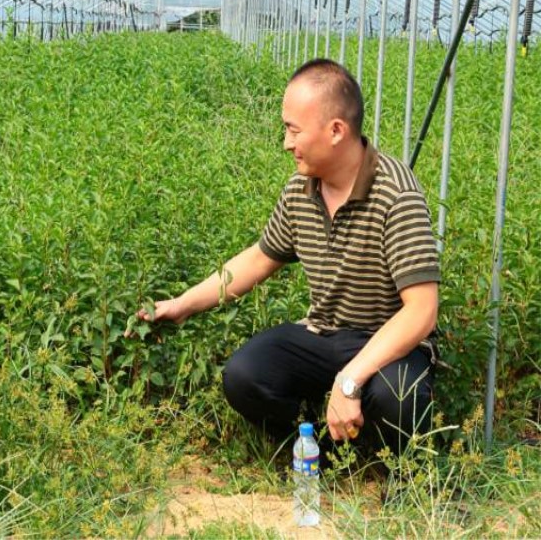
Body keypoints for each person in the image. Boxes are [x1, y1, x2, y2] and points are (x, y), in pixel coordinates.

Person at [137, 58, 440, 455]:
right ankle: (318, 449)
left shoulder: (395, 194)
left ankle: (398, 471)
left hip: (387, 345)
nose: (286, 143)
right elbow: (260, 259)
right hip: (324, 335)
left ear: (336, 131)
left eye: (293, 130)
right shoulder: (301, 190)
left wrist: (349, 380)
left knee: (398, 396)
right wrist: (182, 305)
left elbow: (421, 311)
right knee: (245, 375)